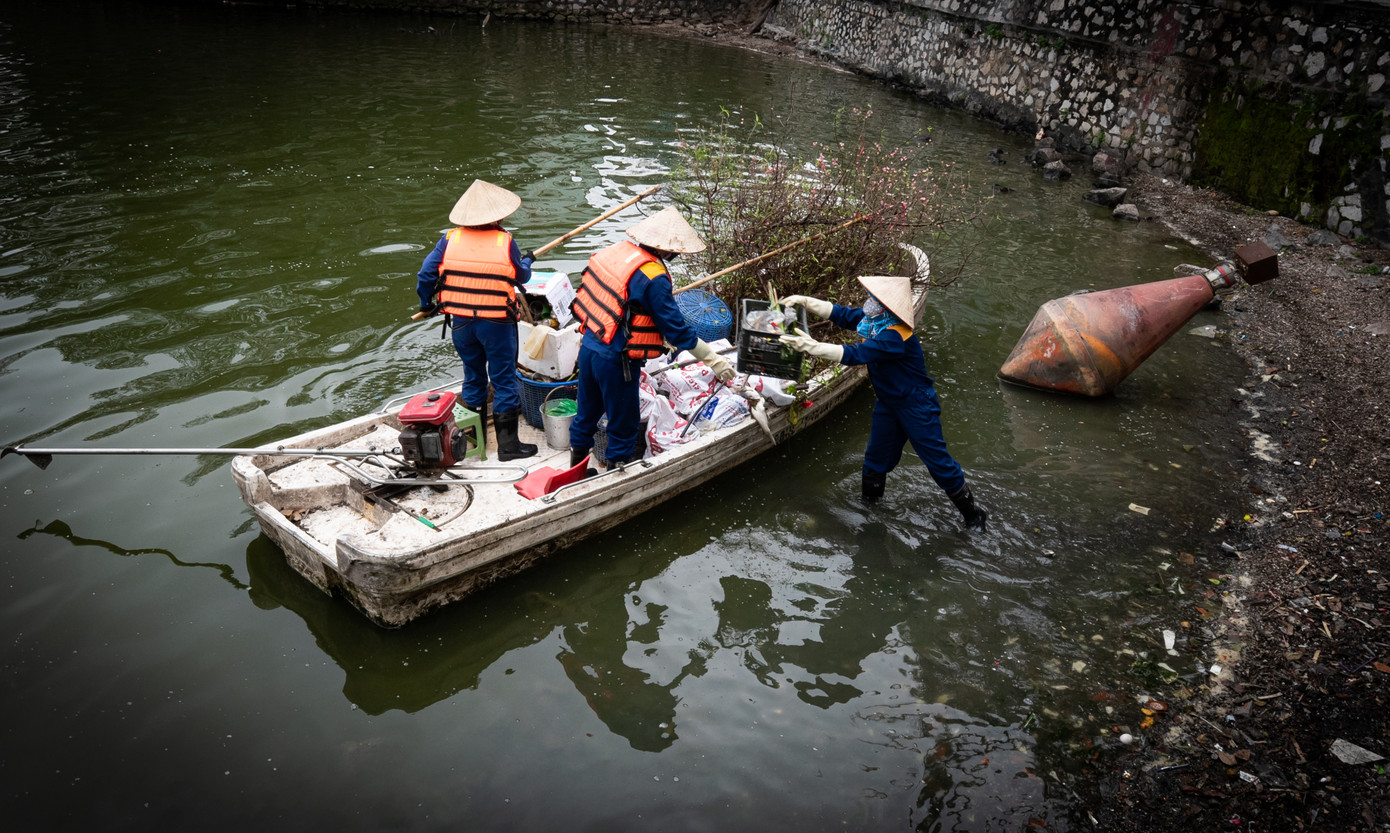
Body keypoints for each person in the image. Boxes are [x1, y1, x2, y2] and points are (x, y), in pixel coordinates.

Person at [778, 276, 989, 531]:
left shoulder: (896, 335)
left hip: (916, 404)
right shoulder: (874, 323)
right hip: (889, 403)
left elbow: (858, 354)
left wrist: (812, 346)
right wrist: (806, 301)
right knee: (875, 459)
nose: (869, 302)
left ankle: (974, 516)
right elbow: (842, 314)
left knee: (937, 462)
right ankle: (870, 508)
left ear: (887, 307)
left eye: (874, 299)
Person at [569, 206, 735, 469]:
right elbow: (677, 330)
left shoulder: (619, 252)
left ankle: (574, 470)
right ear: (668, 249)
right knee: (623, 423)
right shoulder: (653, 277)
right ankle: (615, 478)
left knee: (585, 413)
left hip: (589, 345)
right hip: (616, 360)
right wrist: (713, 359)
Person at [416, 179, 537, 461]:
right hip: (496, 324)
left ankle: (473, 443)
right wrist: (528, 260)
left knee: (473, 377)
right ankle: (508, 448)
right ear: (498, 216)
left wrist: (426, 303)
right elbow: (522, 277)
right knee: (504, 380)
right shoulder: (504, 241)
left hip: (462, 324)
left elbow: (425, 275)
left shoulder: (449, 239)